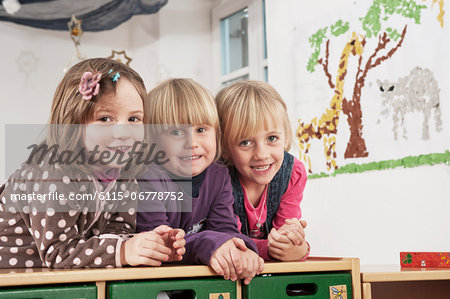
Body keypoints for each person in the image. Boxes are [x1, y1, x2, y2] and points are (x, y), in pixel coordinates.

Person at [0, 58, 185, 269]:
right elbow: (58, 253)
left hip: (54, 279)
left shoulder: (124, 179)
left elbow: (116, 233)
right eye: (105, 119)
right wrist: (124, 251)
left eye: (134, 119)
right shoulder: (54, 172)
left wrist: (146, 245)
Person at [137, 78, 264, 285]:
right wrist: (209, 243)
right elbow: (161, 248)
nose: (192, 143)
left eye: (201, 130)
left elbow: (225, 230)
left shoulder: (218, 174)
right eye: (177, 133)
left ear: (216, 133)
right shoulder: (148, 178)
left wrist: (242, 249)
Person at [215, 80, 310, 262]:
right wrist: (269, 248)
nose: (261, 154)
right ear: (225, 148)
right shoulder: (219, 178)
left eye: (272, 138)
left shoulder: (292, 174)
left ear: (285, 137)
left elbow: (285, 236)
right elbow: (229, 240)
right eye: (245, 142)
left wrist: (296, 244)